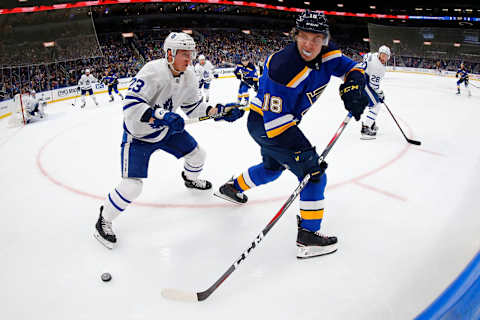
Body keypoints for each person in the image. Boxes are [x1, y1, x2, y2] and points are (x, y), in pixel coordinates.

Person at [214, 10, 368, 259]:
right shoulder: (282, 67)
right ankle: (308, 235)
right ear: (295, 35)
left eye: (316, 38)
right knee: (314, 175)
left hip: (276, 122)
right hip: (267, 123)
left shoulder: (330, 53)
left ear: (325, 39)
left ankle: (232, 187)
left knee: (272, 169)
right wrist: (308, 160)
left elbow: (353, 69)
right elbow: (276, 124)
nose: (309, 44)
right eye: (304, 37)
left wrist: (352, 86)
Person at [94, 32, 244, 249]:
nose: (189, 58)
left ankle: (190, 179)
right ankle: (104, 218)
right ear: (170, 54)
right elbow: (131, 106)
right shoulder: (152, 71)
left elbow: (193, 109)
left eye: (190, 53)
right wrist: (160, 115)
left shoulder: (190, 75)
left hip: (167, 131)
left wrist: (218, 111)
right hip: (138, 136)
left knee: (198, 155)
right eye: (184, 53)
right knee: (132, 187)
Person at [360, 45, 390, 140]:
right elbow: (374, 85)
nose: (383, 58)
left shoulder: (372, 55)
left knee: (372, 102)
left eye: (385, 56)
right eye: (382, 55)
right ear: (379, 54)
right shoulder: (379, 68)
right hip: (363, 81)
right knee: (376, 105)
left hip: (359, 77)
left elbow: (365, 56)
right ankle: (366, 128)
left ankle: (371, 123)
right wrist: (380, 94)